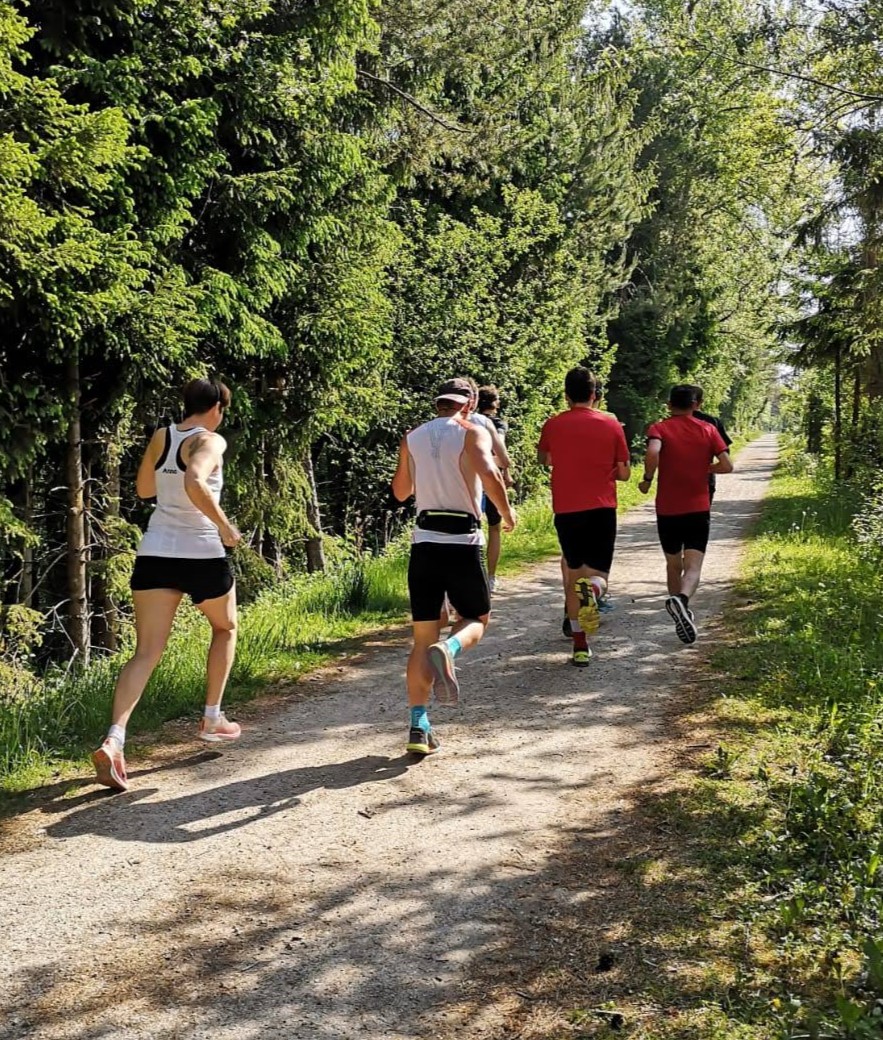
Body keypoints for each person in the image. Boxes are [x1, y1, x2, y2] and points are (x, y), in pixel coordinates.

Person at [92, 378, 242, 791]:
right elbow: (195, 480)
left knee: (146, 653)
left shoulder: (163, 435)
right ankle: (212, 716)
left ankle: (114, 738)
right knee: (225, 627)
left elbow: (144, 489)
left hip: (156, 551)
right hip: (201, 552)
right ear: (216, 408)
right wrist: (226, 525)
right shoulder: (211, 440)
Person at [391, 378, 516, 755]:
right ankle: (451, 648)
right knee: (477, 619)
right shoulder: (471, 430)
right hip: (462, 540)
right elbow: (491, 475)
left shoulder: (412, 436)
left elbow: (400, 492)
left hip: (424, 541)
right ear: (470, 402)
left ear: (438, 403)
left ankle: (418, 724)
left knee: (420, 641)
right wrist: (507, 513)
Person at [538, 367, 631, 667]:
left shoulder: (552, 425)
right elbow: (626, 472)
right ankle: (593, 592)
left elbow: (545, 459)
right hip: (602, 507)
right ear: (594, 394)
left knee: (573, 573)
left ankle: (580, 646)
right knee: (597, 576)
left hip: (566, 509)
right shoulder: (612, 424)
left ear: (566, 396)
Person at [638, 384, 733, 644]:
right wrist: (704, 468)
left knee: (673, 563)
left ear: (669, 405)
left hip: (667, 508)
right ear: (696, 404)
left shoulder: (659, 428)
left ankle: (679, 609)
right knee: (693, 566)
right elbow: (727, 465)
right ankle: (681, 600)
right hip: (697, 507)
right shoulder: (708, 429)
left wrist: (648, 478)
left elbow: (653, 451)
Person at [476, 384, 512, 593]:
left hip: (472, 477)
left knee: (474, 527)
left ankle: (476, 574)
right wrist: (506, 471)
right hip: (492, 475)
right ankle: (490, 576)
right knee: (494, 528)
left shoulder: (468, 421)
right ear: (495, 403)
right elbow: (501, 448)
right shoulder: (497, 423)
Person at [688, 385, 733, 504]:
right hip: (705, 478)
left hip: (676, 479)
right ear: (700, 402)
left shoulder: (666, 424)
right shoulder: (712, 422)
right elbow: (725, 452)